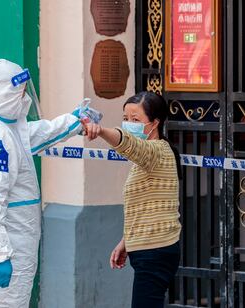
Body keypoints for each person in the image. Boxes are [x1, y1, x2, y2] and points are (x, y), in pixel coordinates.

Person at [0, 58, 100, 307]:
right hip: (7, 238)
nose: (24, 98)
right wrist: (0, 254)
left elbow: (36, 134)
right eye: (21, 92)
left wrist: (74, 120)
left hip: (0, 237)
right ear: (6, 92)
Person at [83, 91, 181, 308]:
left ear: (154, 123)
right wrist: (126, 241)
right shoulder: (151, 156)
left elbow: (130, 144)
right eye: (125, 119)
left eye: (136, 120)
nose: (128, 124)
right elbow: (147, 206)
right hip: (148, 249)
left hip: (155, 251)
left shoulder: (155, 151)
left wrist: (100, 131)